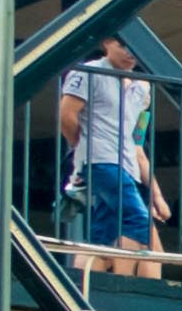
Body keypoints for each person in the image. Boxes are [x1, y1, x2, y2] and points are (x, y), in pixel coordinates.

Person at [52, 38, 164, 265]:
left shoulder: (143, 87)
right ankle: (144, 283)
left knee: (103, 235)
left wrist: (156, 194)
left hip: (128, 165)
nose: (130, 52)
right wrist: (83, 145)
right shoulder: (87, 72)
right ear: (106, 43)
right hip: (100, 159)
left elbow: (137, 142)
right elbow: (67, 116)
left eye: (133, 46)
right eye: (123, 45)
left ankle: (82, 282)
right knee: (139, 221)